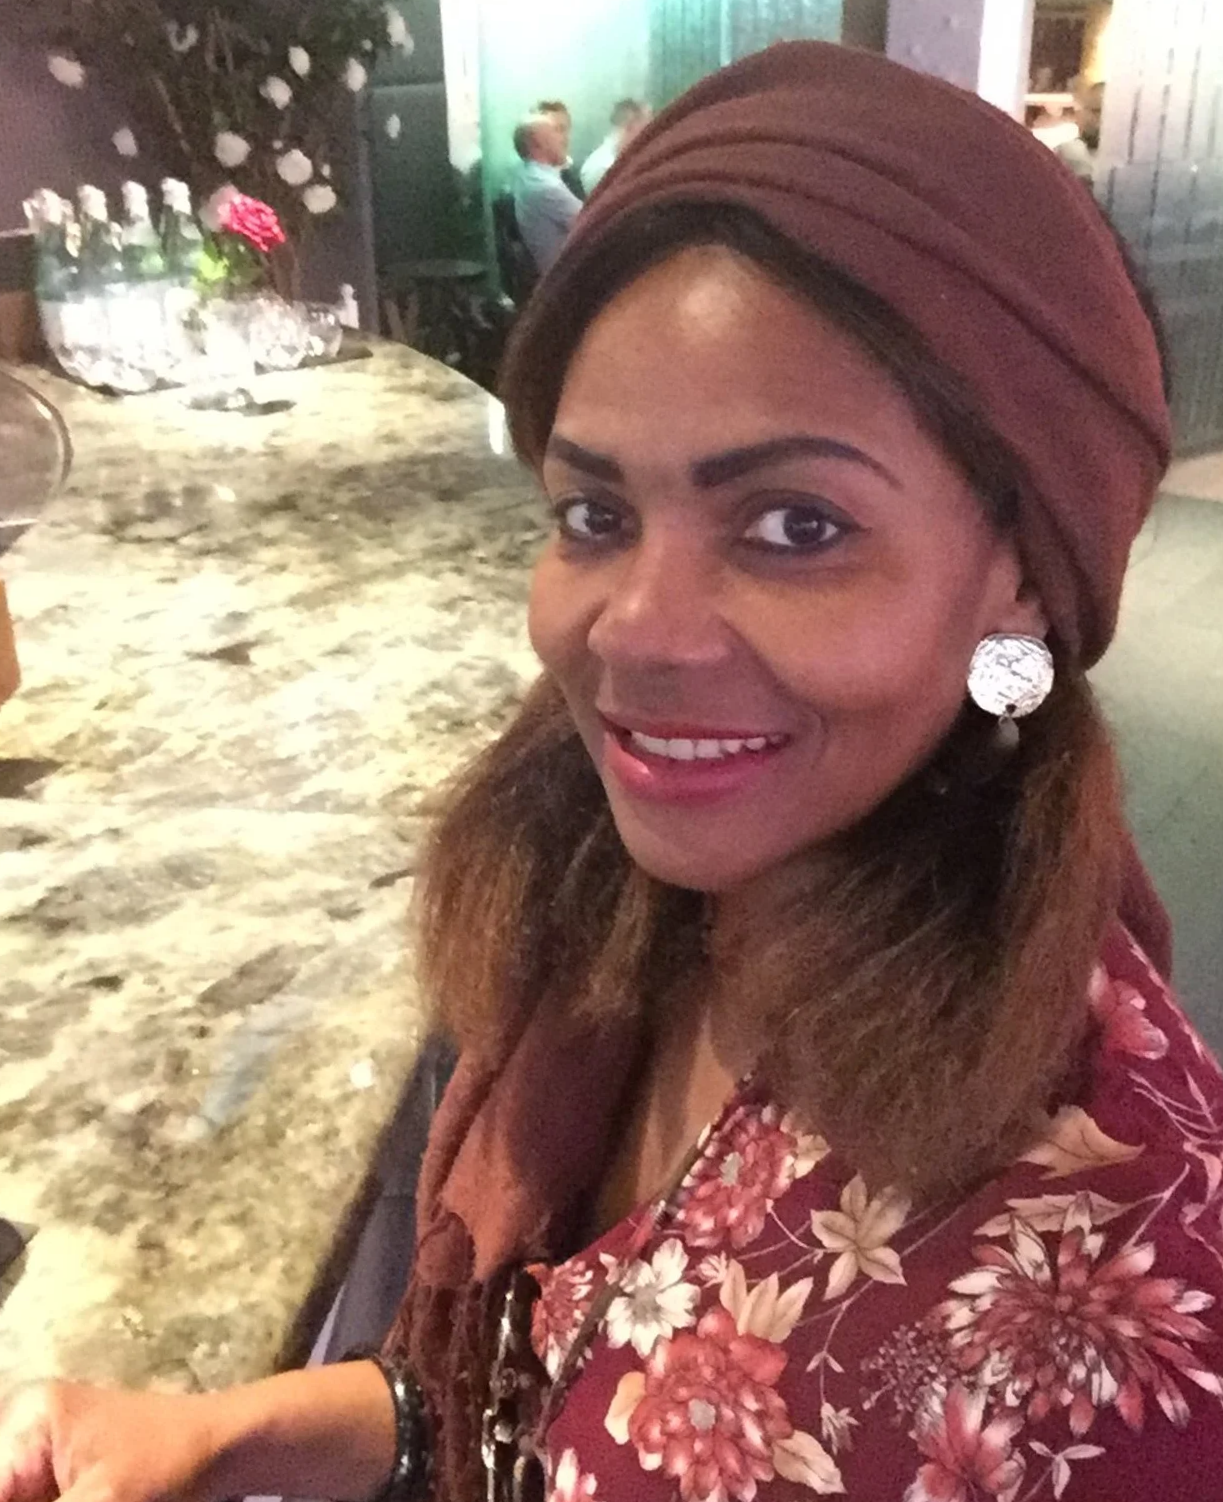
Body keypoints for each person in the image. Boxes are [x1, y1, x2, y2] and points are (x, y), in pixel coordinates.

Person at [3, 39, 1222, 1502]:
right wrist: (233, 1429)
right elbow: (565, 1375)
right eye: (593, 513)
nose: (632, 632)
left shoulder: (1115, 1291)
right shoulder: (629, 902)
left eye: (794, 527)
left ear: (1021, 575)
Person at [510, 114, 583, 277]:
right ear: (536, 146)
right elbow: (592, 225)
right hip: (570, 278)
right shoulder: (546, 187)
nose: (564, 140)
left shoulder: (528, 173)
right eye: (556, 132)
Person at [580, 98, 652, 196]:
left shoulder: (629, 159)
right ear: (630, 126)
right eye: (647, 126)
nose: (650, 133)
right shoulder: (601, 169)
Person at [537, 99, 586, 201]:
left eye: (564, 129)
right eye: (554, 130)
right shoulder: (535, 180)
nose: (562, 137)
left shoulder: (573, 172)